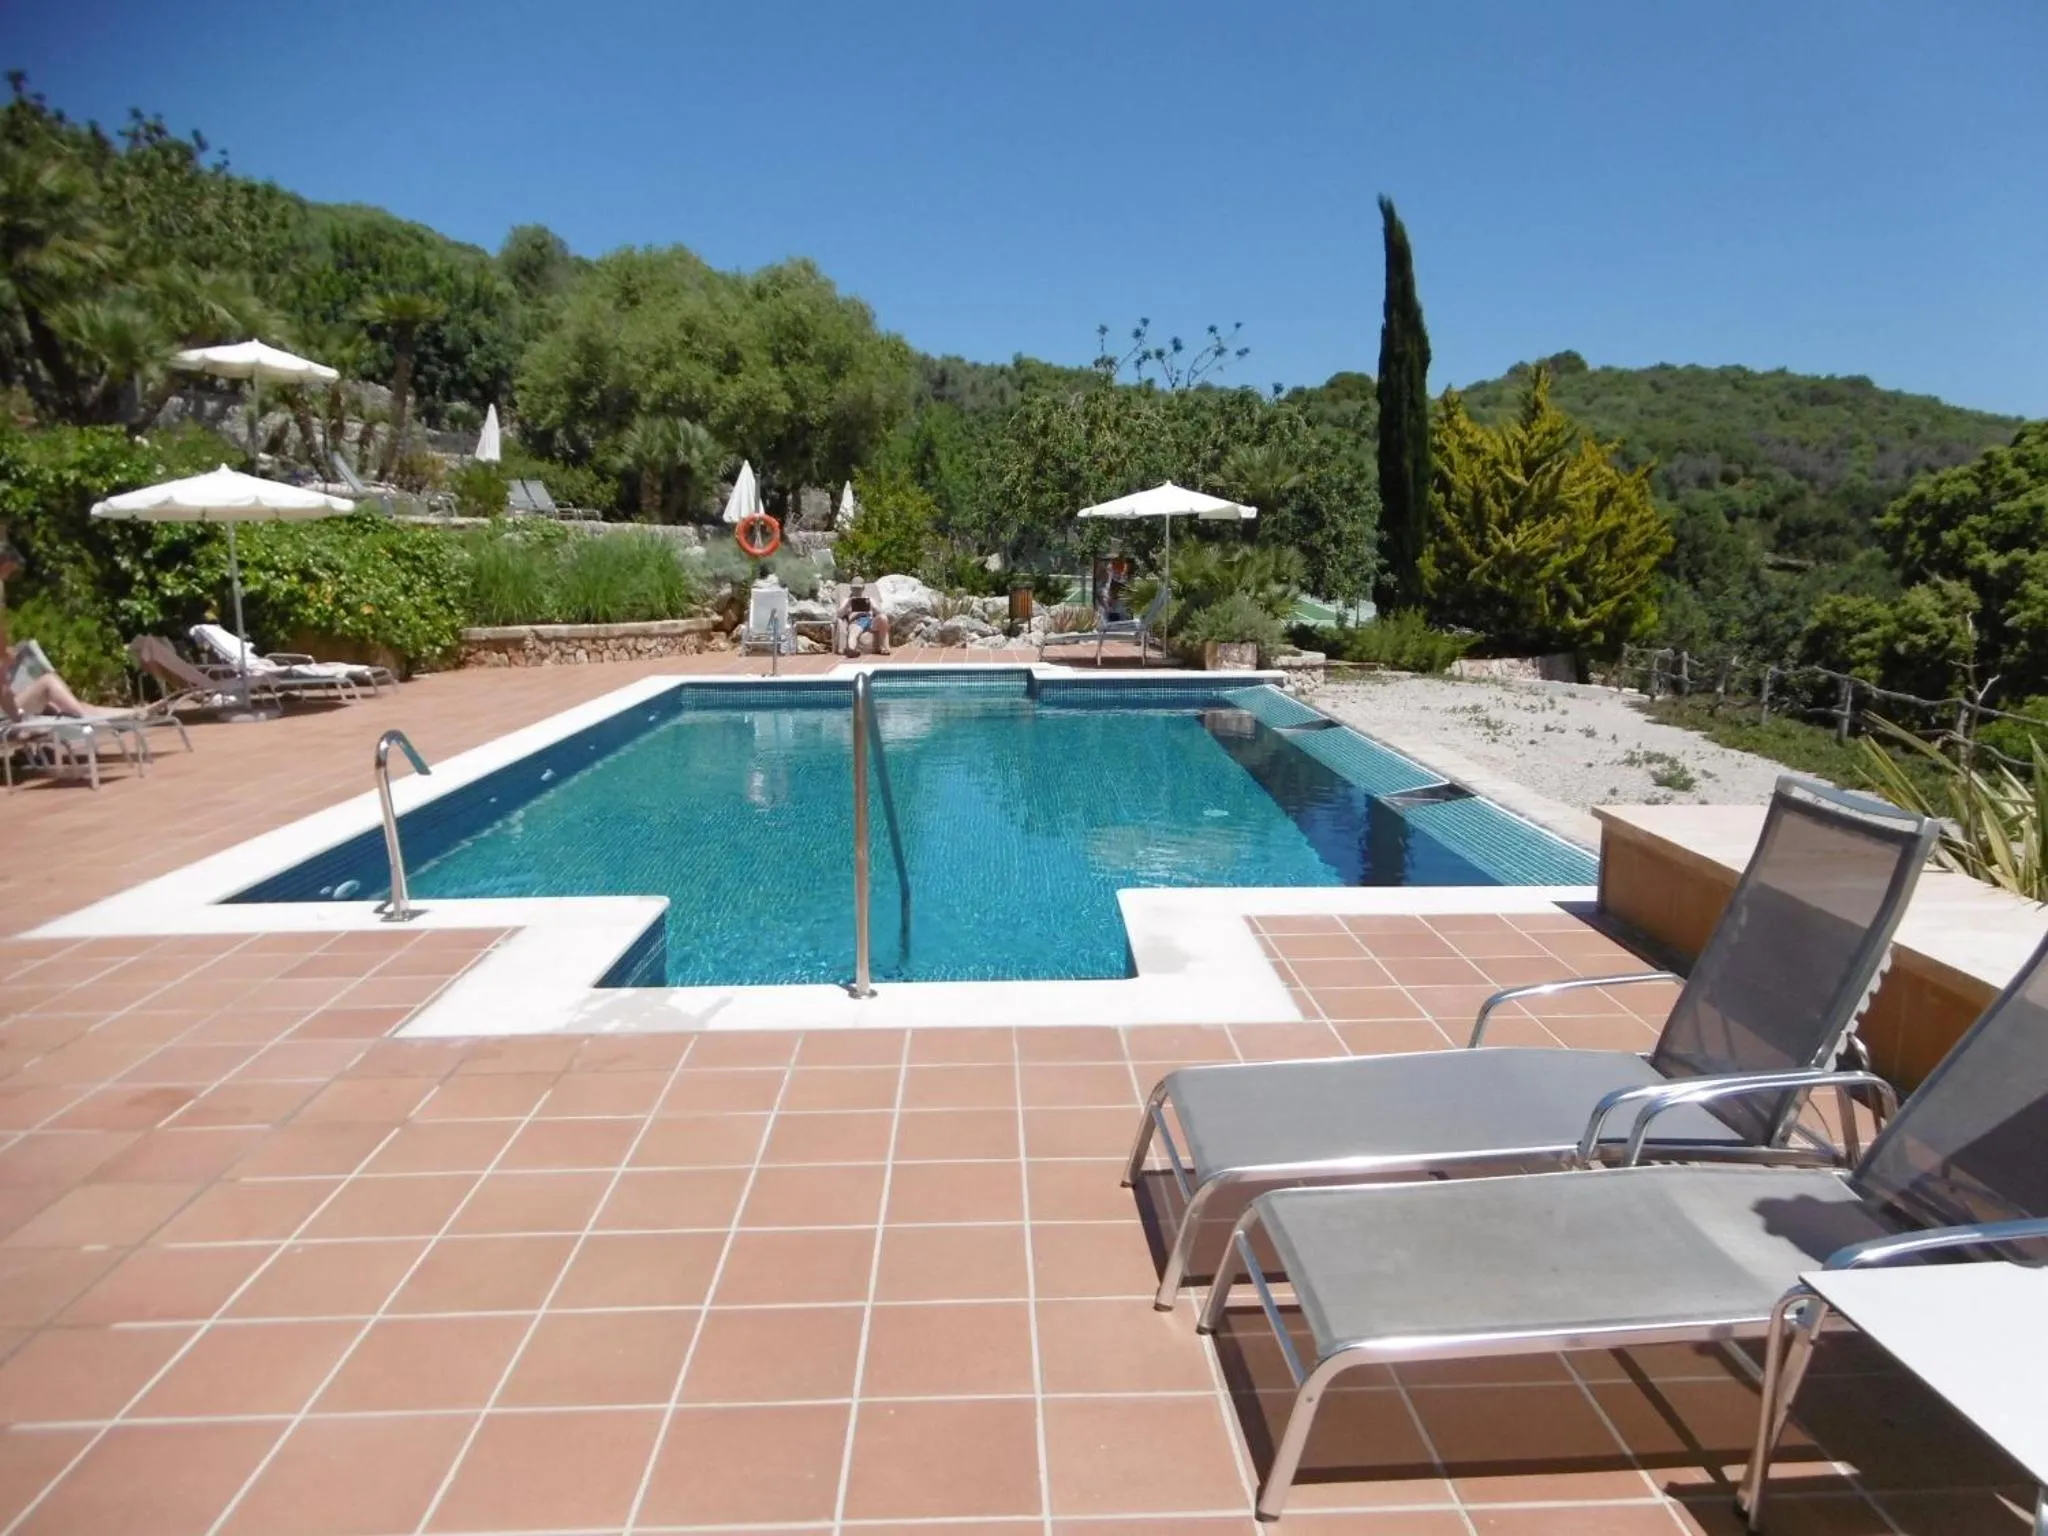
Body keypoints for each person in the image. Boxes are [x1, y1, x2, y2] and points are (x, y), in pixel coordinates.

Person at [837, 579, 892, 657]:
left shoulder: (869, 599)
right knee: (853, 633)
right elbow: (839, 615)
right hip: (856, 621)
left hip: (870, 620)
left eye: (859, 589)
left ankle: (885, 648)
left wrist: (872, 606)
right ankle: (851, 650)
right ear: (851, 588)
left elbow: (880, 613)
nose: (857, 591)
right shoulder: (846, 600)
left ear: (863, 589)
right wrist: (848, 605)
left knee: (883, 618)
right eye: (855, 588)